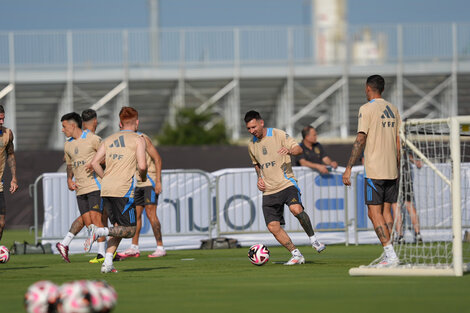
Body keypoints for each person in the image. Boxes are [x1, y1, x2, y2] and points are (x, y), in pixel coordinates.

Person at [244, 110, 325, 265]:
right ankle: (296, 254)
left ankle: (314, 240)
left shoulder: (278, 134)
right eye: (248, 128)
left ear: (261, 123)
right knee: (273, 226)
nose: (252, 131)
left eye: (254, 127)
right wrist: (259, 178)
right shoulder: (251, 145)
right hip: (269, 190)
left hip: (286, 183)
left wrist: (289, 150)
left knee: (296, 209)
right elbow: (257, 165)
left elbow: (298, 149)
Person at [342, 74, 401, 267]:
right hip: (392, 168)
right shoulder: (393, 109)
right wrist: (398, 165)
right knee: (386, 212)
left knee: (373, 213)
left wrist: (349, 167)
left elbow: (360, 139)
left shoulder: (366, 109)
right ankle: (390, 251)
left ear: (368, 88)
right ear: (382, 89)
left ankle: (390, 254)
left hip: (375, 169)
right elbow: (398, 142)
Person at [85, 106, 147, 273]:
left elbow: (95, 163)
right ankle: (99, 231)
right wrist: (144, 176)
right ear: (137, 122)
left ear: (120, 123)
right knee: (130, 230)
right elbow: (142, 165)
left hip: (106, 189)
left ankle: (107, 263)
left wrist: (105, 178)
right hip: (123, 189)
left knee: (118, 227)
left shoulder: (109, 139)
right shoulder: (138, 139)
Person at [56, 111, 105, 263]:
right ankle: (67, 243)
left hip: (95, 186)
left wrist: (96, 162)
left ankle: (102, 253)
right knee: (88, 221)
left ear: (72, 125)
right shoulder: (68, 144)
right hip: (80, 189)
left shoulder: (93, 139)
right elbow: (69, 165)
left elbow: (107, 156)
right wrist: (69, 179)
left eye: (64, 127)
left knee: (97, 220)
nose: (62, 130)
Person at [118, 131, 165, 258]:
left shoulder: (143, 138)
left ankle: (160, 247)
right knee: (136, 216)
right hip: (138, 184)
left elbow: (157, 159)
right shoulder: (125, 141)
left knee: (151, 214)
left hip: (150, 182)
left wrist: (158, 181)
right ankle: (134, 247)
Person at [393, 147, 423, 244]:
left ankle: (400, 236)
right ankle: (418, 234)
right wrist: (415, 161)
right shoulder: (403, 141)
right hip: (406, 173)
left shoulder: (389, 138)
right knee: (409, 204)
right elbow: (409, 155)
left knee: (396, 205)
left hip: (394, 174)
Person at [0, 105, 18, 242]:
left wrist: (14, 178)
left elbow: (10, 154)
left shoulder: (7, 134)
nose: (1, 122)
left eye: (3, 119)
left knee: (1, 223)